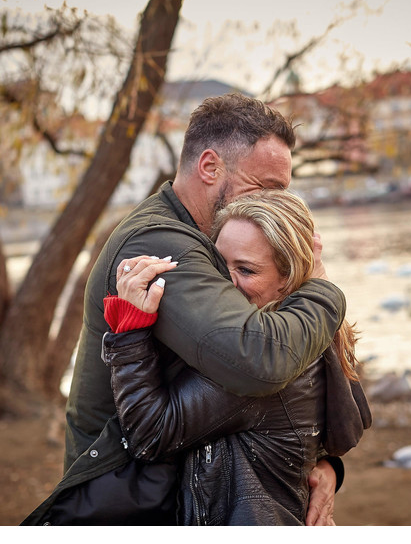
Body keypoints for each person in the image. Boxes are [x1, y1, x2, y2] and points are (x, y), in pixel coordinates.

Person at [25, 94, 349, 525]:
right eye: (268, 187)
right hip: (126, 499)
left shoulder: (219, 238)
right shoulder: (159, 244)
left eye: (284, 191)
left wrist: (322, 463)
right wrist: (324, 287)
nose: (277, 202)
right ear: (210, 166)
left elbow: (319, 389)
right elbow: (259, 360)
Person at [100, 190, 370, 524]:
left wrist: (130, 333)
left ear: (289, 279)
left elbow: (150, 435)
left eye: (246, 269)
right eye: (217, 264)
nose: (225, 284)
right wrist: (329, 466)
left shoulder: (260, 364)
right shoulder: (312, 337)